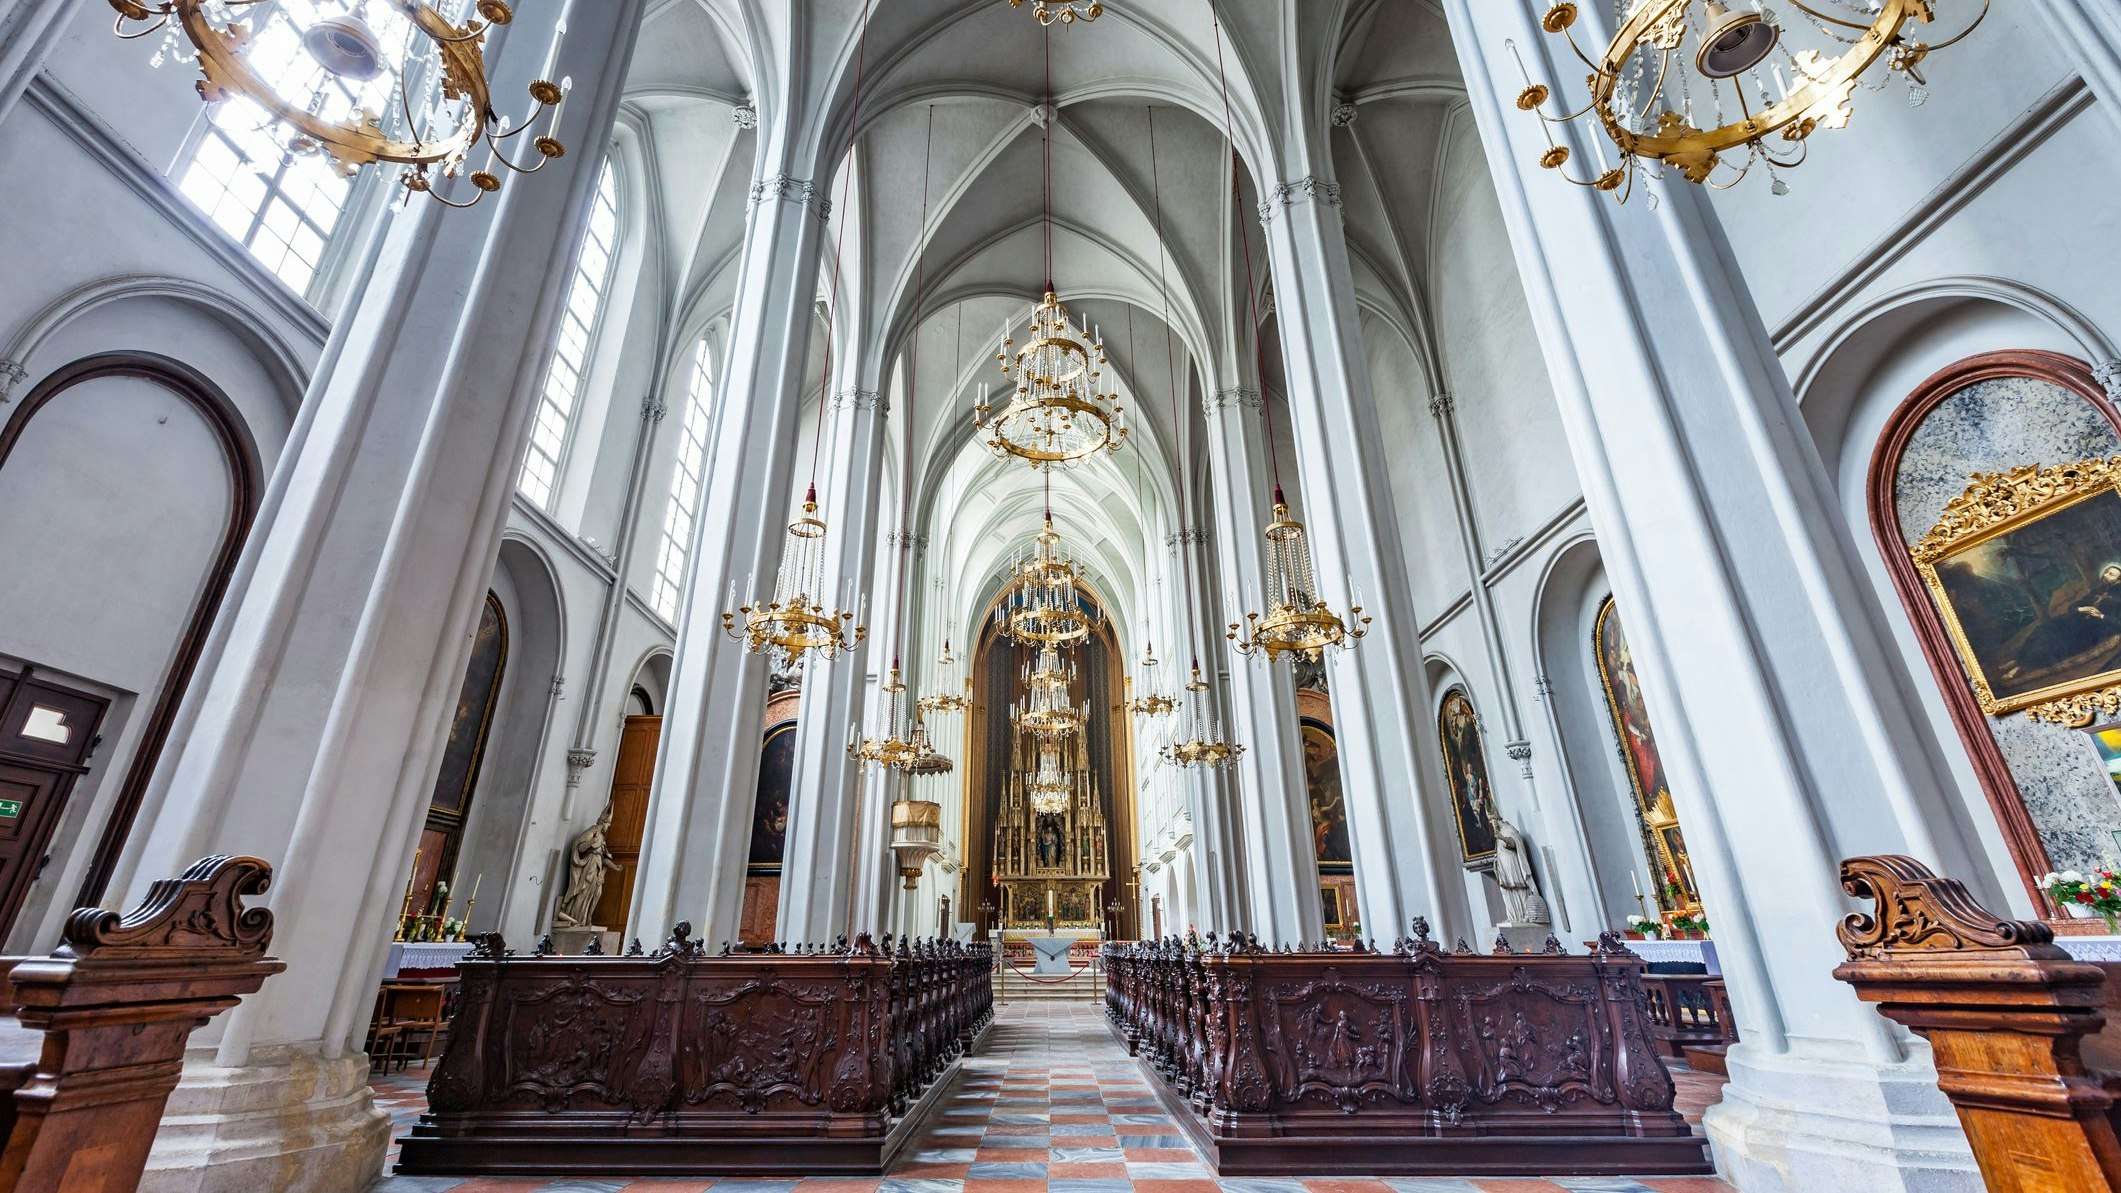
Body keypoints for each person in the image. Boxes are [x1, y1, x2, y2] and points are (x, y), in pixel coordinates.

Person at [554, 803, 621, 927]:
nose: (609, 826)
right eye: (608, 824)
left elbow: (603, 857)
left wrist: (614, 867)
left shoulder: (602, 837)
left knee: (594, 894)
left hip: (597, 868)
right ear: (603, 822)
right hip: (589, 866)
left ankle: (584, 920)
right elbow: (579, 847)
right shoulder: (593, 831)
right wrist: (591, 841)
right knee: (583, 891)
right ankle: (575, 916)